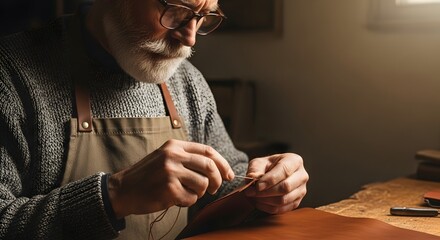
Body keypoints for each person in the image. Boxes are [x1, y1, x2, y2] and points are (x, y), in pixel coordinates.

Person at [0, 0, 309, 239]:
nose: (189, 39)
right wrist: (114, 195)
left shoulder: (187, 82)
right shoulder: (10, 75)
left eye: (204, 16)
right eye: (175, 10)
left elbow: (225, 185)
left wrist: (267, 191)